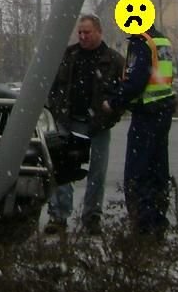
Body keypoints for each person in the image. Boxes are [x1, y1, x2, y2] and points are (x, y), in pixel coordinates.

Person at [43, 14, 124, 236]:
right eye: (80, 32)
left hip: (96, 126)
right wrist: (57, 109)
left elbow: (122, 94)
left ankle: (92, 217)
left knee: (97, 173)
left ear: (99, 32)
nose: (82, 36)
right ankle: (58, 216)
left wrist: (109, 115)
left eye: (87, 32)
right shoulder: (69, 56)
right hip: (68, 122)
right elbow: (53, 86)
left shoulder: (113, 61)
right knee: (62, 171)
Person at [103, 23, 176, 238]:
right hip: (163, 110)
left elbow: (136, 81)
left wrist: (114, 101)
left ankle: (142, 225)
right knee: (158, 170)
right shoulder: (161, 40)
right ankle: (158, 221)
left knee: (138, 172)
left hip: (147, 113)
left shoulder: (141, 43)